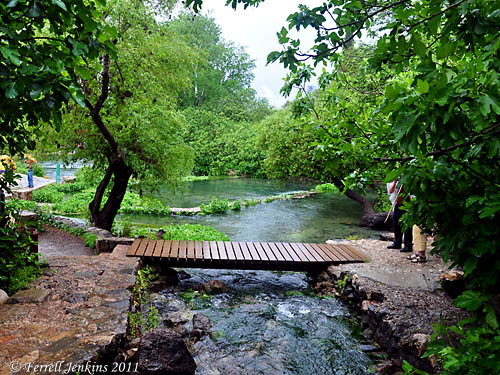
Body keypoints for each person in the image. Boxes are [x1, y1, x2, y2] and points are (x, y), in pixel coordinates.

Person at [387, 179, 413, 252]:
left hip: (409, 204)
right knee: (396, 223)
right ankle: (397, 243)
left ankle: (408, 245)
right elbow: (391, 191)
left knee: (407, 226)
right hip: (398, 204)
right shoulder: (397, 180)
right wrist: (395, 182)